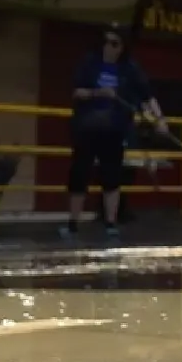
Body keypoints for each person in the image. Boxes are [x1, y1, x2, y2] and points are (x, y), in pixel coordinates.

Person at [63, 25, 162, 239]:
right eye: (106, 42)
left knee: (112, 177)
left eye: (114, 43)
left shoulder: (129, 69)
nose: (108, 47)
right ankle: (72, 223)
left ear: (122, 47)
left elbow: (147, 96)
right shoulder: (90, 62)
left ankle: (110, 223)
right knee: (80, 174)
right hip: (86, 128)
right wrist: (98, 93)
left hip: (114, 131)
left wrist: (159, 119)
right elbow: (77, 92)